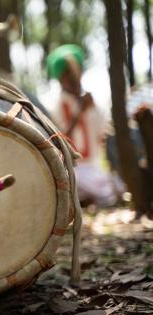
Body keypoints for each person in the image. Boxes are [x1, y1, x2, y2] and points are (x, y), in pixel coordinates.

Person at [46, 44, 119, 207]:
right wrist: (79, 112)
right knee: (80, 184)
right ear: (60, 78)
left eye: (75, 74)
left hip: (95, 169)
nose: (73, 79)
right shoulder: (55, 105)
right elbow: (59, 140)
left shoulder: (92, 104)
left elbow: (103, 135)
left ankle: (87, 199)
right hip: (74, 170)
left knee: (117, 185)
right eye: (67, 75)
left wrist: (91, 109)